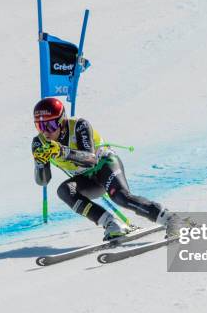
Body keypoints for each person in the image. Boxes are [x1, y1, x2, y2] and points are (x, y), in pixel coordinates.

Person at [31, 97, 184, 240]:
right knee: (64, 191)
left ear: (62, 122)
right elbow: (43, 181)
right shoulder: (39, 143)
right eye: (40, 126)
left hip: (104, 164)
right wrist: (40, 163)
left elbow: (90, 159)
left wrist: (62, 151)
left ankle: (171, 218)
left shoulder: (79, 126)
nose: (45, 132)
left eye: (49, 125)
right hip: (87, 179)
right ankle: (112, 223)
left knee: (121, 197)